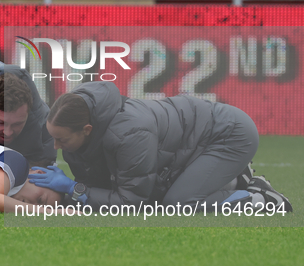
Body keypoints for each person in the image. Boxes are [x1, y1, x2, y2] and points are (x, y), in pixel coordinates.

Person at [28, 81, 293, 212]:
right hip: (198, 142)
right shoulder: (81, 127)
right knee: (157, 195)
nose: (56, 146)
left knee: (179, 204)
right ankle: (235, 180)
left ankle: (260, 198)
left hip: (229, 135)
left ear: (87, 130)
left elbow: (130, 202)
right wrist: (73, 195)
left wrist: (74, 188)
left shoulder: (128, 132)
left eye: (62, 140)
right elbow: (102, 190)